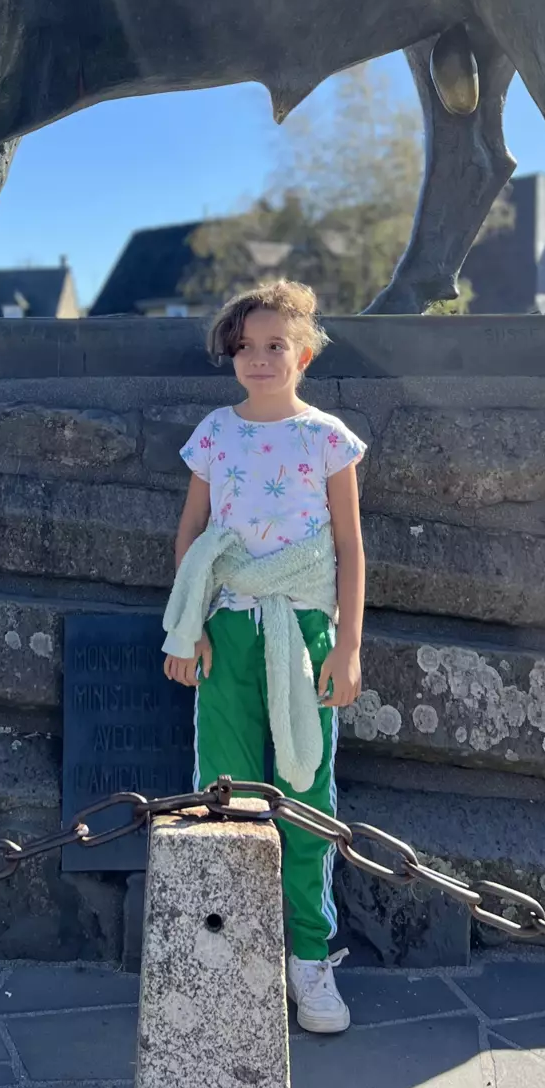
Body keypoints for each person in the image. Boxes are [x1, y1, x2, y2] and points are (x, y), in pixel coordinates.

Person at [162, 278, 367, 1034]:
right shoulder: (216, 432)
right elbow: (192, 534)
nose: (259, 358)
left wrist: (346, 647)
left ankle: (308, 959)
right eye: (245, 346)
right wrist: (193, 631)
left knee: (307, 797)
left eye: (275, 345)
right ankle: (225, 955)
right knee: (223, 788)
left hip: (303, 630)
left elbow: (349, 547)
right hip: (230, 627)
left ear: (303, 352)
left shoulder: (328, 438)